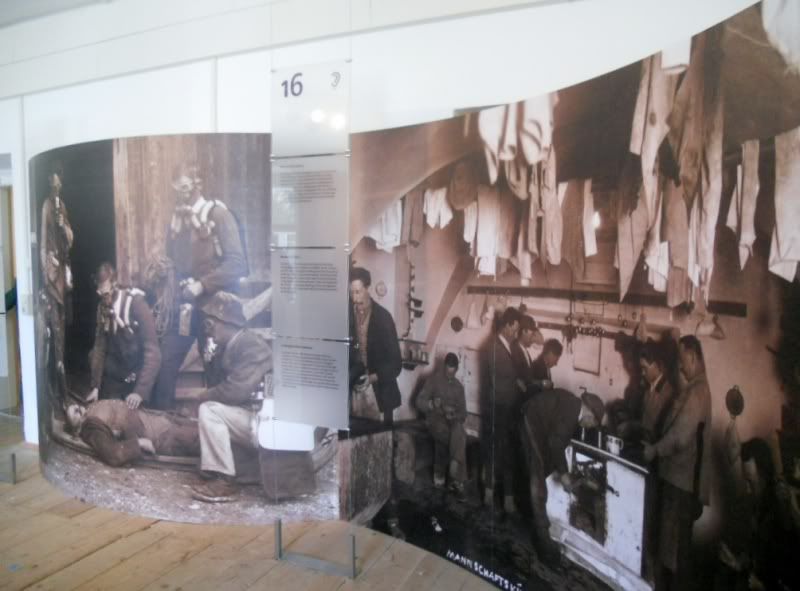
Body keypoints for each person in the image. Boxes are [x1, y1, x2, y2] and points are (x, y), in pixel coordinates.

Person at [151, 162, 247, 410]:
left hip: (215, 311)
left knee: (215, 370)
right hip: (185, 308)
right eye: (176, 188)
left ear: (197, 184)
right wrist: (163, 270)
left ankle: (218, 423)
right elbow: (174, 262)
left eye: (184, 187)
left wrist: (203, 285)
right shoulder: (176, 222)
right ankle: (161, 423)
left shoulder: (218, 215)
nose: (180, 194)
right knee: (165, 362)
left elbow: (237, 264)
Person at [188, 292, 272, 503]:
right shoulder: (230, 346)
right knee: (204, 464)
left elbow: (235, 391)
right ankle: (236, 470)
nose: (208, 329)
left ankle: (225, 481)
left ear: (228, 323)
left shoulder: (252, 346)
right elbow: (221, 387)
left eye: (212, 323)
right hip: (251, 418)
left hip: (266, 422)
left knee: (209, 410)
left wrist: (203, 396)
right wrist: (210, 359)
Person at [643, 335, 712, 591]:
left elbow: (680, 436)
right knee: (672, 552)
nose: (680, 367)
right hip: (677, 482)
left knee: (672, 555)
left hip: (679, 485)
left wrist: (654, 451)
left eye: (682, 360)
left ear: (692, 356)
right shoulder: (696, 389)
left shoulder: (697, 392)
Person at [519, 388, 605, 562]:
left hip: (534, 421)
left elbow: (557, 441)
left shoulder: (572, 406)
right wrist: (564, 475)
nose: (589, 427)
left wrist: (559, 470)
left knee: (540, 471)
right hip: (530, 421)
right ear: (590, 414)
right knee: (538, 483)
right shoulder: (572, 411)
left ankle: (531, 513)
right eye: (593, 424)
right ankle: (544, 542)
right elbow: (556, 444)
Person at [87, 263, 161, 410]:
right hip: (121, 370)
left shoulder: (136, 303)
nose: (103, 298)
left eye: (105, 293)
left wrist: (140, 392)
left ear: (115, 284)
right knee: (93, 354)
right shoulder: (102, 308)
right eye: (100, 293)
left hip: (140, 371)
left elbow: (153, 352)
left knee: (139, 413)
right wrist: (95, 386)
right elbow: (100, 348)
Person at [64, 399, 199, 467]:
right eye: (75, 412)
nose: (78, 408)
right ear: (77, 429)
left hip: (163, 420)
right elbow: (112, 454)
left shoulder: (90, 410)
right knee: (203, 438)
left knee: (203, 423)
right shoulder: (90, 426)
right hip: (163, 435)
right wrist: (139, 443)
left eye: (75, 406)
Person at [39, 161, 74, 410]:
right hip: (52, 275)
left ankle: (63, 391)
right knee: (52, 333)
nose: (56, 186)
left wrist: (64, 226)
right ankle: (55, 390)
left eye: (59, 181)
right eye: (53, 182)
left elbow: (70, 239)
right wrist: (46, 271)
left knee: (62, 330)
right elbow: (43, 242)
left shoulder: (63, 208)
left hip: (62, 272)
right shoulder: (46, 206)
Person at [349, 266, 402, 427]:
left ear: (368, 289)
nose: (354, 298)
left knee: (381, 439)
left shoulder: (384, 318)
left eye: (358, 292)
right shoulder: (347, 315)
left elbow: (396, 365)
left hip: (381, 394)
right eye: (351, 292)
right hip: (355, 393)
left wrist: (372, 378)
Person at [481, 306, 521, 513]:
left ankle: (505, 497)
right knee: (495, 453)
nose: (516, 333)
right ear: (507, 325)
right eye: (515, 328)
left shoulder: (507, 347)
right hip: (498, 409)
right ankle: (491, 496)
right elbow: (500, 382)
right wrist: (517, 384)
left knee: (505, 453)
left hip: (506, 408)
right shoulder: (494, 347)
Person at [416, 352, 468, 494]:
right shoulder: (433, 380)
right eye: (447, 370)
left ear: (456, 369)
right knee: (456, 437)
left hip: (452, 421)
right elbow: (418, 402)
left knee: (458, 431)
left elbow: (464, 414)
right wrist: (432, 404)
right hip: (434, 420)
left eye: (452, 372)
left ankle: (447, 471)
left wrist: (454, 414)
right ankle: (457, 480)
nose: (449, 374)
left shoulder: (459, 387)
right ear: (444, 366)